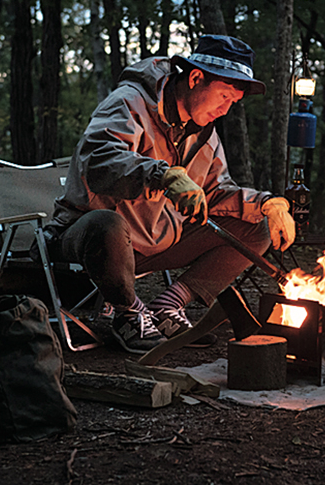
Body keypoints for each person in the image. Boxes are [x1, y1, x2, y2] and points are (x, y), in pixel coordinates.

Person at [41, 35, 296, 353]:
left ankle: (168, 306)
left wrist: (267, 204)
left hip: (155, 241)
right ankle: (128, 312)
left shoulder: (203, 132)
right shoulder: (130, 101)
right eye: (224, 96)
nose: (226, 109)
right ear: (195, 78)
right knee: (107, 224)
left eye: (233, 102)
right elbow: (98, 160)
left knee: (257, 227)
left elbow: (215, 193)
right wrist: (162, 175)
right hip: (87, 238)